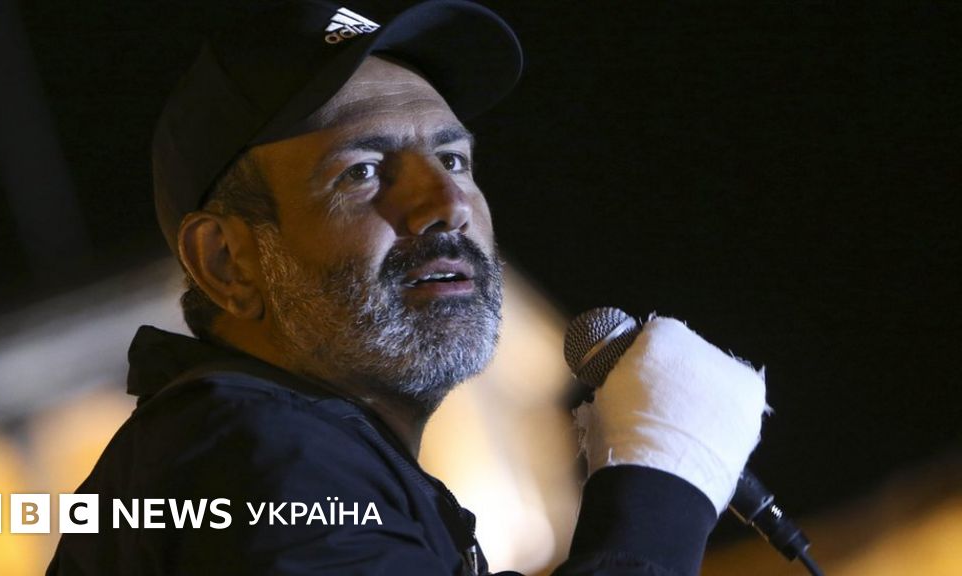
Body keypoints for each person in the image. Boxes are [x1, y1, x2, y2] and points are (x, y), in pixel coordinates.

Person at [47, 1, 767, 574]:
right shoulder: (257, 458)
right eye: (362, 171)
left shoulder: (272, 457)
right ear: (228, 261)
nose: (446, 204)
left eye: (453, 159)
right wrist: (660, 491)